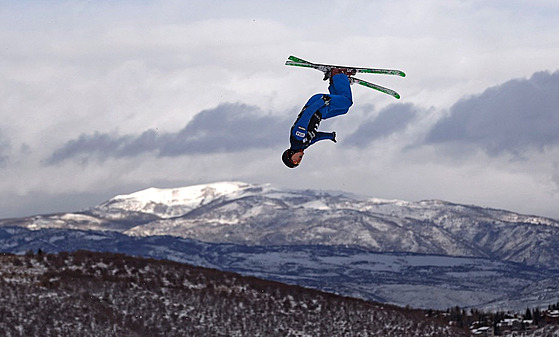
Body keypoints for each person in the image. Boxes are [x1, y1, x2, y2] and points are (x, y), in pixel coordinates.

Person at [282, 68, 354, 168]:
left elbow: (306, 115)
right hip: (321, 112)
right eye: (298, 163)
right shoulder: (303, 144)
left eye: (295, 161)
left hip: (317, 104)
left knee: (347, 101)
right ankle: (334, 81)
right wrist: (330, 136)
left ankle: (339, 75)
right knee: (344, 109)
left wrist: (322, 102)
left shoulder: (298, 136)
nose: (298, 160)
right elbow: (316, 137)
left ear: (290, 155)